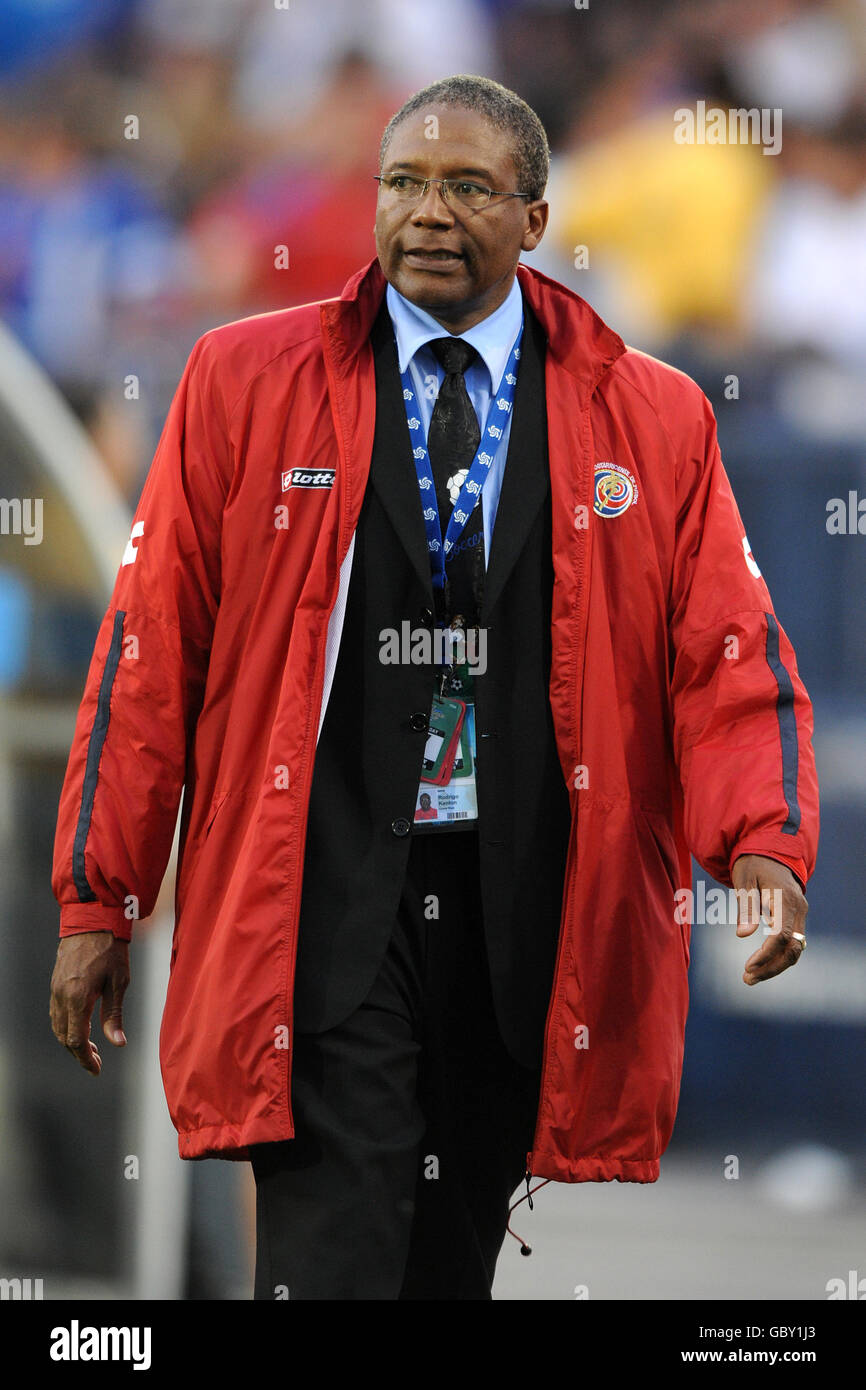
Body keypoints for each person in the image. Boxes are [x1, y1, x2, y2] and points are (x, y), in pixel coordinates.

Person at [49, 75, 819, 1301]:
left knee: (444, 1268)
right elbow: (147, 656)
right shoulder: (242, 380)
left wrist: (763, 839)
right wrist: (100, 897)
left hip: (518, 914)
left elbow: (725, 648)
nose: (427, 211)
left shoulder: (650, 417)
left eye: (467, 187)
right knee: (330, 1255)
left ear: (533, 215)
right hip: (314, 904)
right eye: (403, 182)